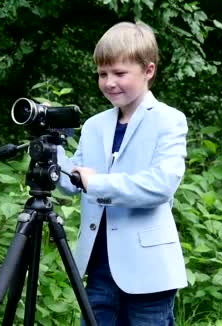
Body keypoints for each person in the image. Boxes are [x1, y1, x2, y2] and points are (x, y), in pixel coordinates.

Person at [57, 21, 189, 325]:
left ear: (148, 70)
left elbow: (161, 185)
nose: (109, 82)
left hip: (150, 273)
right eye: (103, 74)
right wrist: (51, 150)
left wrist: (98, 183)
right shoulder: (94, 125)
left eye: (119, 73)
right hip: (99, 270)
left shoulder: (169, 120)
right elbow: (72, 182)